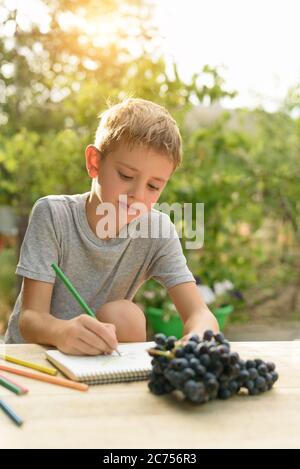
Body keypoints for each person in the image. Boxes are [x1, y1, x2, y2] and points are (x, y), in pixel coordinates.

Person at [4, 98, 218, 354]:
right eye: (126, 176)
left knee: (125, 314)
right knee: (124, 314)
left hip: (94, 358)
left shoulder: (156, 230)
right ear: (94, 162)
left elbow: (200, 313)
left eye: (153, 186)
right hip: (32, 358)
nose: (138, 194)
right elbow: (30, 318)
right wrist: (61, 332)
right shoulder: (53, 214)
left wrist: (196, 339)